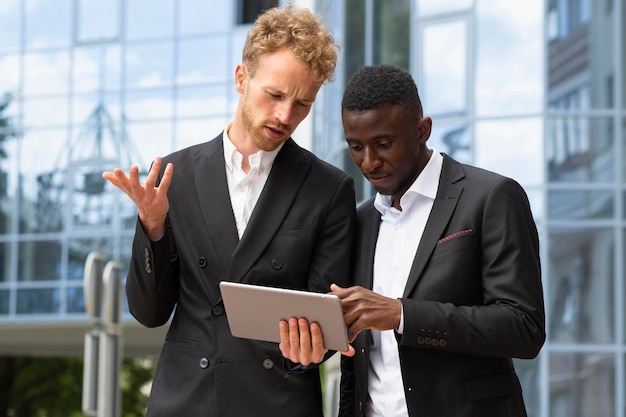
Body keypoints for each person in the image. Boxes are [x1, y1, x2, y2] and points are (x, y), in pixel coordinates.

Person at [102, 5, 356, 416]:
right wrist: (152, 225)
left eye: (302, 104)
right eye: (274, 95)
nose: (285, 116)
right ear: (241, 78)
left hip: (276, 402)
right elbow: (149, 313)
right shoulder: (174, 176)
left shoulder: (329, 190)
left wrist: (309, 348)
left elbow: (325, 323)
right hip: (186, 400)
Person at [333, 64, 546, 417]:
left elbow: (523, 327)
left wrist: (402, 314)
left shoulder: (491, 197)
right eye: (356, 147)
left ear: (423, 130)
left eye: (383, 144)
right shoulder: (358, 222)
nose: (369, 162)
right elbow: (354, 366)